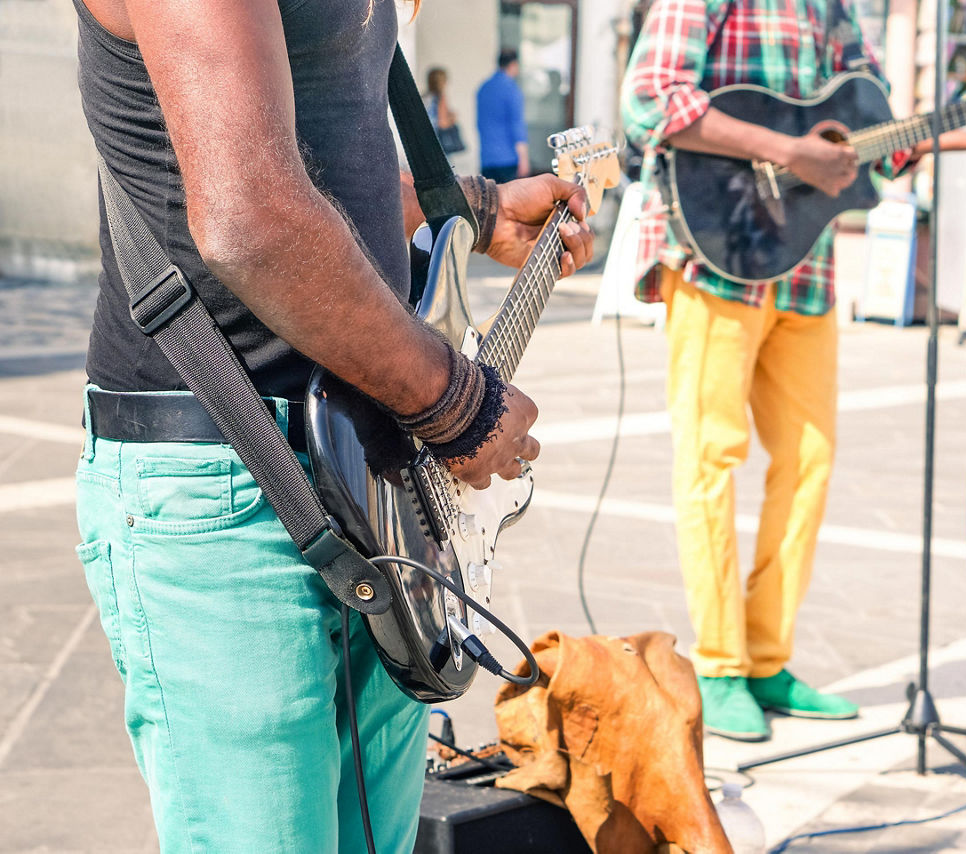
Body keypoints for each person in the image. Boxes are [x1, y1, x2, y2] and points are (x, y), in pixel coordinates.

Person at [70, 0, 592, 850]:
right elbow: (251, 216)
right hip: (224, 484)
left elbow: (310, 153)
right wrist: (460, 404)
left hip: (370, 463)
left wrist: (470, 204)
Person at [621, 0, 966, 742]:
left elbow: (875, 136)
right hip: (713, 254)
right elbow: (650, 100)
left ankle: (765, 659)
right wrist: (787, 151)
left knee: (810, 459)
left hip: (804, 263)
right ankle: (719, 665)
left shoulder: (834, 10)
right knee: (711, 459)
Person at [476, 49, 529, 183]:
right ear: (513, 65)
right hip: (508, 158)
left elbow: (479, 123)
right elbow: (517, 126)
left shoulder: (483, 88)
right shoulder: (512, 90)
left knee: (489, 200)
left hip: (487, 158)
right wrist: (523, 158)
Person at [424, 66, 466, 157]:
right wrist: (452, 118)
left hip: (426, 141)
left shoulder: (425, 97)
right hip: (439, 142)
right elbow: (442, 123)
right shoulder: (440, 98)